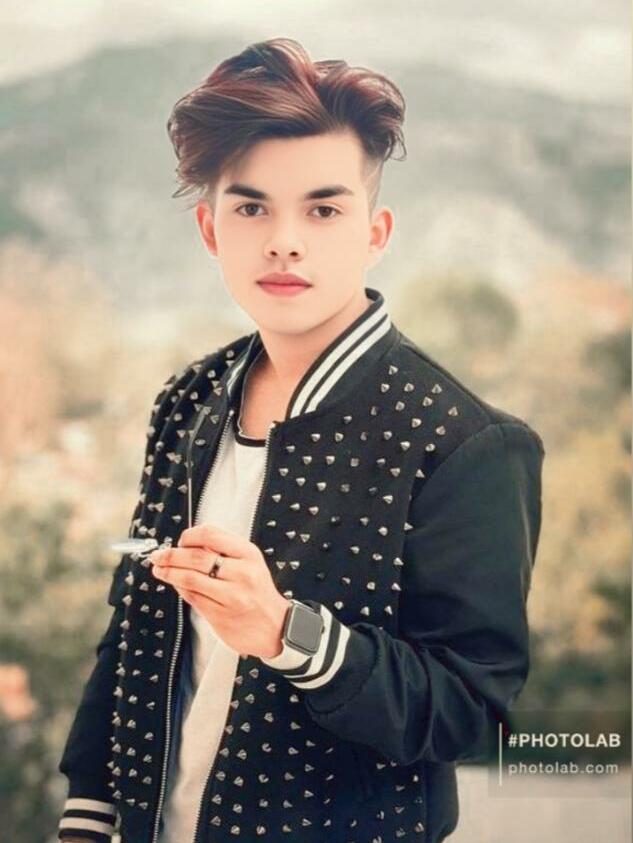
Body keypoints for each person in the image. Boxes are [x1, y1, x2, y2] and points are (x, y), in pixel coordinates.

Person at [56, 36, 545, 843]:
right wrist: (86, 818)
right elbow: (134, 634)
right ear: (210, 229)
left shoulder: (465, 441)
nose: (284, 240)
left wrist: (289, 634)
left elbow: (471, 712)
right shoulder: (187, 400)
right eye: (251, 207)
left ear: (375, 232)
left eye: (323, 209)